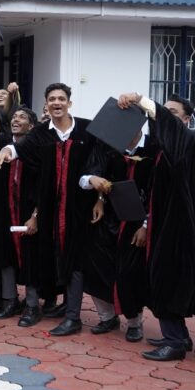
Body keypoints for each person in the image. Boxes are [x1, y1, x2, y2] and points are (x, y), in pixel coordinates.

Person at [0, 83, 97, 335]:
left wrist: (100, 199)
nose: (57, 103)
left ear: (69, 103)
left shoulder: (87, 129)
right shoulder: (41, 133)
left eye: (61, 99)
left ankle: (74, 317)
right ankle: (57, 306)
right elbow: (19, 148)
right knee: (52, 258)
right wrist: (5, 151)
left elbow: (101, 162)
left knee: (75, 261)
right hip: (50, 211)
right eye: (52, 99)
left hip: (78, 210)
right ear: (47, 104)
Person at [116, 93, 195, 361]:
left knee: (168, 279)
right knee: (163, 278)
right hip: (165, 224)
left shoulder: (185, 141)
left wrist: (139, 98)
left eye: (172, 112)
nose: (164, 117)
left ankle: (175, 342)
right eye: (163, 112)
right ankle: (179, 335)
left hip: (178, 228)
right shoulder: (167, 146)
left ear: (186, 119)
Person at [80, 129, 158, 342]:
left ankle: (134, 322)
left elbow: (159, 191)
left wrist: (146, 225)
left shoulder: (154, 148)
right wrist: (98, 195)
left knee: (130, 273)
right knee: (97, 265)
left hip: (137, 221)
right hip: (110, 217)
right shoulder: (108, 145)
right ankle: (107, 317)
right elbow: (87, 176)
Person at [0, 105, 41, 325]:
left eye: (23, 117)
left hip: (28, 212)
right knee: (6, 255)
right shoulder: (4, 144)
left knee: (31, 257)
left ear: (32, 125)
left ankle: (32, 305)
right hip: (6, 210)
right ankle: (10, 300)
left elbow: (42, 184)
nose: (16, 119)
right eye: (14, 116)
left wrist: (36, 214)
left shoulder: (36, 149)